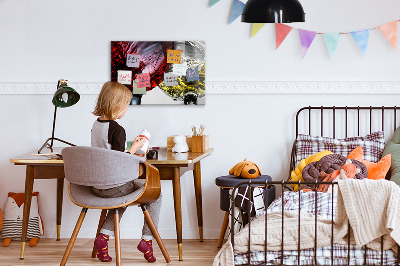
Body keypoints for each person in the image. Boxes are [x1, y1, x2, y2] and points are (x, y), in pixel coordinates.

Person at [91, 81, 161, 263]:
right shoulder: (117, 129)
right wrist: (135, 149)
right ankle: (147, 240)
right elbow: (118, 161)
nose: (126, 109)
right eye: (126, 105)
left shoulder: (96, 125)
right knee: (156, 194)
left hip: (97, 186)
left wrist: (130, 149)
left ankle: (103, 238)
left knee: (122, 197)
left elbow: (108, 154)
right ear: (117, 105)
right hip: (114, 186)